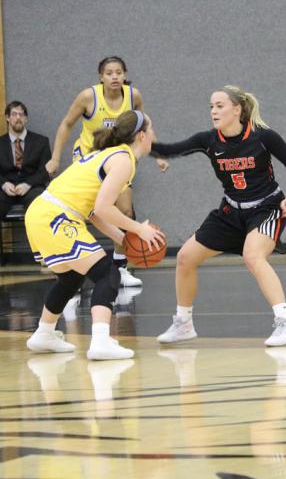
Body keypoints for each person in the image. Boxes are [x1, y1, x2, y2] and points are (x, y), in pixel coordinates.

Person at [152, 85, 286, 346]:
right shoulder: (208, 140)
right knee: (186, 257)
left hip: (266, 208)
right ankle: (184, 323)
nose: (213, 111)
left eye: (219, 106)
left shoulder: (263, 136)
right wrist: (141, 143)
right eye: (211, 106)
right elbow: (169, 149)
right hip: (231, 210)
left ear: (237, 109)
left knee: (253, 256)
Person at [25, 110, 164, 360]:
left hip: (43, 212)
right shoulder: (124, 160)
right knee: (106, 273)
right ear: (142, 135)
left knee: (71, 278)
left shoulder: (109, 155)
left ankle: (43, 333)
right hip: (56, 215)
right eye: (152, 129)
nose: (154, 134)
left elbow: (94, 214)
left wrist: (124, 240)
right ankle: (101, 341)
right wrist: (138, 229)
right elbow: (103, 208)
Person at [45, 56, 164, 287]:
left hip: (116, 161)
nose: (114, 77)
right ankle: (68, 274)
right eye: (109, 73)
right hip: (89, 160)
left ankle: (120, 266)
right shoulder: (88, 96)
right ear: (101, 77)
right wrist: (55, 157)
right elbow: (67, 123)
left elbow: (145, 126)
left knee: (125, 211)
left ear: (125, 74)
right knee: (83, 211)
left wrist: (158, 154)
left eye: (119, 72)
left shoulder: (133, 96)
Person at [0, 101, 51, 219]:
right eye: (14, 114)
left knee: (40, 205)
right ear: (7, 118)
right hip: (5, 189)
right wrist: (3, 184)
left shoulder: (41, 142)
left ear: (26, 119)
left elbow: (45, 172)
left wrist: (28, 184)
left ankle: (37, 237)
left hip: (32, 188)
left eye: (21, 114)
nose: (18, 118)